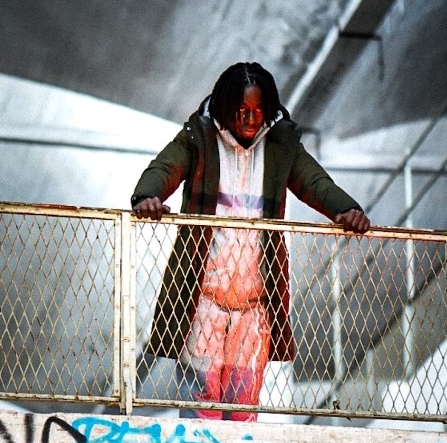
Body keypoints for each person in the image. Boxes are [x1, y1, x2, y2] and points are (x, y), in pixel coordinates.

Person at [131, 62, 370, 420]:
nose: (250, 118)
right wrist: (147, 197)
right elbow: (165, 167)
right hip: (203, 299)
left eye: (259, 110)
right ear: (225, 106)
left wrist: (346, 209)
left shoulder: (281, 146)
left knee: (244, 406)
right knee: (201, 404)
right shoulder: (199, 137)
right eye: (242, 109)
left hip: (255, 304)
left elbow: (315, 182)